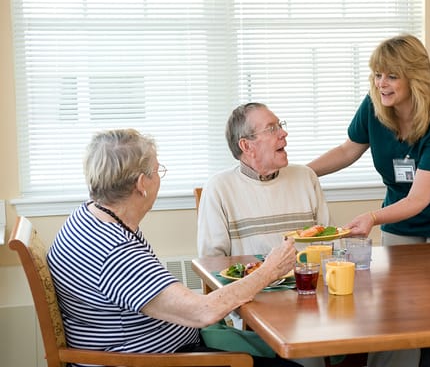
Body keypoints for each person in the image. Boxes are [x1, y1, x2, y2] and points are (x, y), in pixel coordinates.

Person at [47, 128, 300, 367]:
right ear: (141, 184)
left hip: (159, 346)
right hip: (158, 360)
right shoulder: (114, 251)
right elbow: (204, 312)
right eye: (157, 171)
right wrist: (269, 270)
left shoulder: (91, 215)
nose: (159, 178)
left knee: (273, 347)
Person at [308, 35, 430, 367]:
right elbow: (348, 150)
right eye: (377, 74)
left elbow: (420, 197)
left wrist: (373, 218)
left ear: (414, 77)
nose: (381, 84)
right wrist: (302, 173)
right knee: (396, 309)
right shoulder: (375, 106)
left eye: (391, 75)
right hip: (401, 217)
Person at [197, 102, 331, 257]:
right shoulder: (219, 188)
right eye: (272, 128)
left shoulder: (306, 177)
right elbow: (212, 262)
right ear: (246, 146)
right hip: (252, 280)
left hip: (308, 278)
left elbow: (330, 242)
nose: (283, 133)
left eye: (280, 125)